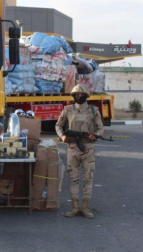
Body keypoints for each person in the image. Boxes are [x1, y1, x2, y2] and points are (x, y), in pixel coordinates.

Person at [55, 84, 104, 219]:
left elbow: (100, 128)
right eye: (77, 94)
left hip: (88, 148)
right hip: (72, 148)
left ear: (86, 96)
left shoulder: (94, 111)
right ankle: (75, 207)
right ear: (73, 96)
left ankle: (85, 208)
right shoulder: (68, 110)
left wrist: (95, 135)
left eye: (82, 95)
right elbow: (59, 125)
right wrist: (62, 136)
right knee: (73, 178)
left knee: (88, 177)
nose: (79, 96)